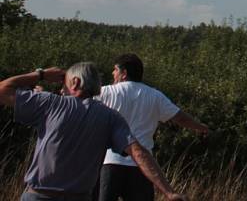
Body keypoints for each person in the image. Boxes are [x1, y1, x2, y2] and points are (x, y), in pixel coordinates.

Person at [0, 63, 187, 201]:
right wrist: (169, 192)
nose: (60, 88)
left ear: (75, 82)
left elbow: (3, 90)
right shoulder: (110, 117)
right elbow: (138, 153)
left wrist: (40, 74)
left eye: (62, 83)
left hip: (39, 196)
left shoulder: (50, 103)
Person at [95, 54, 208, 201]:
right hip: (143, 168)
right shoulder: (155, 96)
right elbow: (179, 117)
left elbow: (81, 107)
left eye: (115, 70)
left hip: (110, 163)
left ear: (124, 73)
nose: (112, 73)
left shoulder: (106, 92)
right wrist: (201, 127)